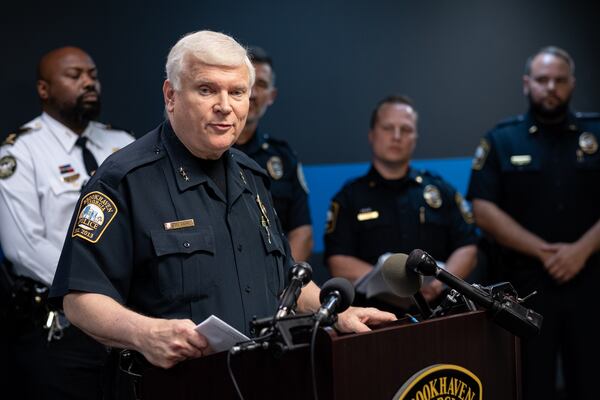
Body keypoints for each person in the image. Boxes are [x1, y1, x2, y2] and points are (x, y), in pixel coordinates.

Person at [49, 31, 395, 387]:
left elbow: (285, 281)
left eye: (237, 92)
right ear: (171, 95)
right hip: (169, 388)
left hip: (260, 382)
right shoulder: (123, 180)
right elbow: (79, 298)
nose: (225, 105)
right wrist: (144, 332)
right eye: (206, 90)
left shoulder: (253, 177)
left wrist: (336, 313)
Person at [0, 47, 135, 399]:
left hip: (130, 324)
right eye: (75, 76)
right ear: (44, 90)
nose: (89, 83)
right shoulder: (20, 153)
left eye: (92, 75)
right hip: (60, 329)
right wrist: (97, 291)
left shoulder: (123, 145)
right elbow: (24, 247)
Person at [467, 46, 600, 399]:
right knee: (529, 383)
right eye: (542, 80)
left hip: (591, 285)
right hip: (526, 288)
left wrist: (581, 251)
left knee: (592, 380)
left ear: (572, 84)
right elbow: (482, 209)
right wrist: (546, 253)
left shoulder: (596, 133)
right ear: (527, 84)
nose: (551, 87)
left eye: (559, 80)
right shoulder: (501, 139)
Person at [324, 95, 478, 313]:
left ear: (415, 137)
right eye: (388, 128)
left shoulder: (441, 191)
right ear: (372, 134)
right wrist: (395, 285)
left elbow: (467, 247)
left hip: (439, 315)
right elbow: (338, 261)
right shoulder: (349, 198)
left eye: (405, 129)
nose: (396, 136)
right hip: (375, 318)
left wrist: (440, 283)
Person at [233, 46, 313, 262]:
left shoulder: (284, 158)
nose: (253, 94)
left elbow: (302, 232)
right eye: (247, 84)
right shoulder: (208, 152)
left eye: (262, 85)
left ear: (272, 95)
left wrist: (285, 287)